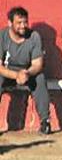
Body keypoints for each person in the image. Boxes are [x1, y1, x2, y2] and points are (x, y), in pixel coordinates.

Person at [0, 7, 52, 135]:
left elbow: (37, 64)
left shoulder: (34, 37)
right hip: (7, 72)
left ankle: (45, 122)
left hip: (27, 72)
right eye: (19, 23)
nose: (23, 26)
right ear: (10, 23)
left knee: (40, 78)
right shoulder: (2, 36)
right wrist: (16, 75)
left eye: (25, 22)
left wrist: (27, 73)